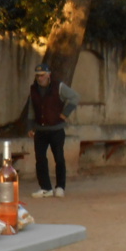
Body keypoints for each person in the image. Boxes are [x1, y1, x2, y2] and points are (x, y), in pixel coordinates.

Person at [28, 63, 80, 198]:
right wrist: (30, 127)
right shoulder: (33, 89)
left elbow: (74, 97)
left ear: (48, 75)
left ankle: (60, 186)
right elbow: (31, 109)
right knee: (40, 159)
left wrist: (65, 113)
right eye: (38, 76)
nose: (40, 78)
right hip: (40, 129)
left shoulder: (59, 86)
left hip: (56, 129)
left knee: (59, 158)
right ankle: (45, 187)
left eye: (42, 75)